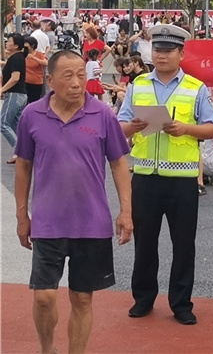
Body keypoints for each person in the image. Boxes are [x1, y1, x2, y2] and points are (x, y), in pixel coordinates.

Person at [13, 50, 133, 354]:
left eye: (81, 74)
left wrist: (126, 211)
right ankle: (47, 349)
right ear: (50, 80)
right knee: (44, 297)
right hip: (47, 222)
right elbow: (23, 165)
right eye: (68, 76)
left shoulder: (103, 114)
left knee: (82, 298)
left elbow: (119, 163)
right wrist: (22, 215)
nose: (77, 82)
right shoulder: (32, 115)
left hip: (92, 223)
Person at [118, 23, 213, 325]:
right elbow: (119, 128)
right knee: (145, 243)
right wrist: (133, 126)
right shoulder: (138, 85)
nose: (161, 56)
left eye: (168, 51)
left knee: (184, 245)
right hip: (145, 177)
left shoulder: (196, 88)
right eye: (157, 50)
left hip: (182, 181)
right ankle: (143, 299)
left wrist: (186, 128)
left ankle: (181, 304)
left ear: (181, 54)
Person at [1, 33, 29, 164]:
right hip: (18, 95)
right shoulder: (16, 57)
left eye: (9, 41)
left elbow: (15, 78)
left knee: (3, 123)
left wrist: (2, 89)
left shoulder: (16, 58)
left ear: (16, 45)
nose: (7, 43)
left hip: (14, 94)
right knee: (15, 125)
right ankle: (24, 151)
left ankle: (19, 151)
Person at [24, 36, 48, 104]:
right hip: (25, 82)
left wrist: (34, 58)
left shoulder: (39, 54)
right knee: (25, 102)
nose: (24, 45)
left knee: (34, 102)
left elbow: (46, 63)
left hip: (36, 83)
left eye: (26, 44)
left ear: (32, 45)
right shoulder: (24, 54)